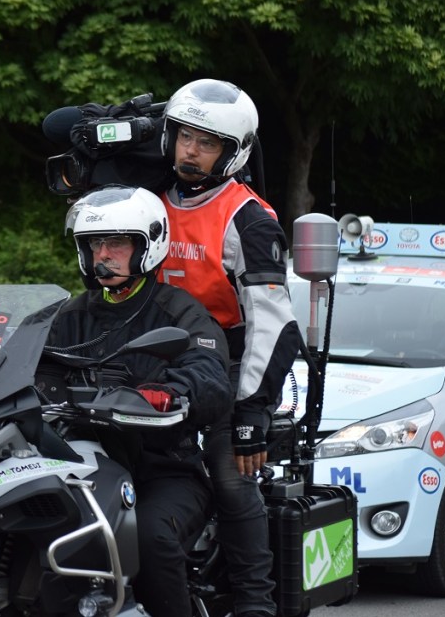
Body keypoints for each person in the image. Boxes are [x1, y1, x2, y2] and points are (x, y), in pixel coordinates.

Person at [45, 185, 232, 617]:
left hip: (162, 469)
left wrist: (169, 393)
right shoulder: (70, 316)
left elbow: (209, 375)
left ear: (148, 246)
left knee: (148, 536)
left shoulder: (178, 312)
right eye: (95, 244)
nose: (103, 255)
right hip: (80, 467)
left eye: (117, 243)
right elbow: (34, 367)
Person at [158, 78, 302, 617]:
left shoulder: (249, 219)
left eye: (207, 142)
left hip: (229, 366)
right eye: (184, 137)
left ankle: (254, 604)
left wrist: (251, 412)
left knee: (232, 475)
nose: (190, 151)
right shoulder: (147, 204)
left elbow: (273, 324)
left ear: (233, 152)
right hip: (155, 361)